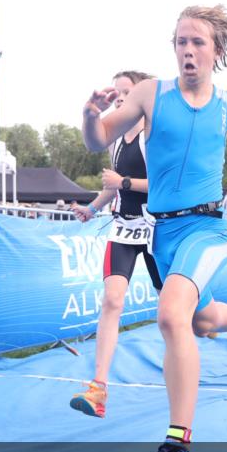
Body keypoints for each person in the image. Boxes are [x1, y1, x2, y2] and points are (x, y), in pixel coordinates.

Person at [80, 5, 227, 452]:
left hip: (208, 229)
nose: (188, 51)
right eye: (181, 42)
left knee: (171, 314)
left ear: (216, 51)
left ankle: (177, 444)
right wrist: (89, 113)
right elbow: (98, 140)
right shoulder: (149, 94)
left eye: (198, 42)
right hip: (165, 234)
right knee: (198, 321)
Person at [70, 70, 163, 418]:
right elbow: (112, 185)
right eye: (117, 92)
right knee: (111, 300)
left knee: (192, 316)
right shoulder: (115, 137)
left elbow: (162, 187)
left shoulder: (154, 135)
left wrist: (124, 182)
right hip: (123, 228)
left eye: (128, 92)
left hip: (157, 229)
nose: (121, 98)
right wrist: (92, 208)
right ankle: (98, 388)